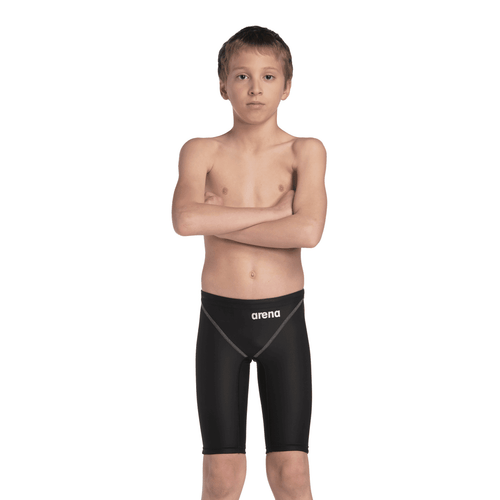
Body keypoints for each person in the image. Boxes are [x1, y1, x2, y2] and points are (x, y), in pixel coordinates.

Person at [172, 25, 327, 500]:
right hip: (222, 321)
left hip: (284, 320)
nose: (255, 88)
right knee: (221, 477)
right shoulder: (201, 150)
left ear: (287, 85)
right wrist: (275, 214)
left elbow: (308, 232)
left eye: (268, 76)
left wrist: (217, 219)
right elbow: (184, 219)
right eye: (242, 76)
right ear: (223, 86)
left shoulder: (305, 151)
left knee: (291, 473)